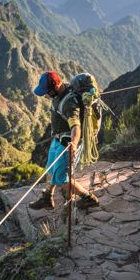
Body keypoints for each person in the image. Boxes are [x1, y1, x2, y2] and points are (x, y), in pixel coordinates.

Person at [28, 70, 100, 210]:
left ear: (55, 88)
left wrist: (73, 144)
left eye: (47, 92)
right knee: (50, 169)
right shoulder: (62, 90)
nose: (46, 96)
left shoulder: (69, 103)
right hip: (57, 139)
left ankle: (88, 198)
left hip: (65, 144)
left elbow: (76, 126)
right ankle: (47, 197)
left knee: (63, 179)